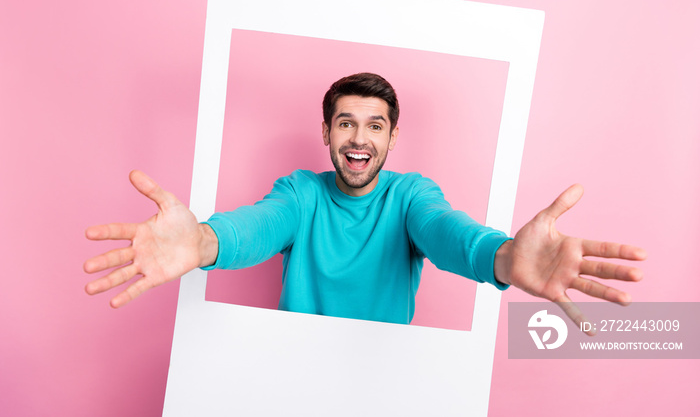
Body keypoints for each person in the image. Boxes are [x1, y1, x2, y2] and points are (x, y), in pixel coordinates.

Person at [84, 72, 645, 332]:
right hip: (290, 383)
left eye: (374, 126)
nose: (359, 139)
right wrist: (204, 241)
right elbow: (257, 226)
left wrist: (502, 258)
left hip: (384, 384)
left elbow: (449, 233)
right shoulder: (301, 193)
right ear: (326, 132)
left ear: (392, 137)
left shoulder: (410, 196)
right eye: (346, 123)